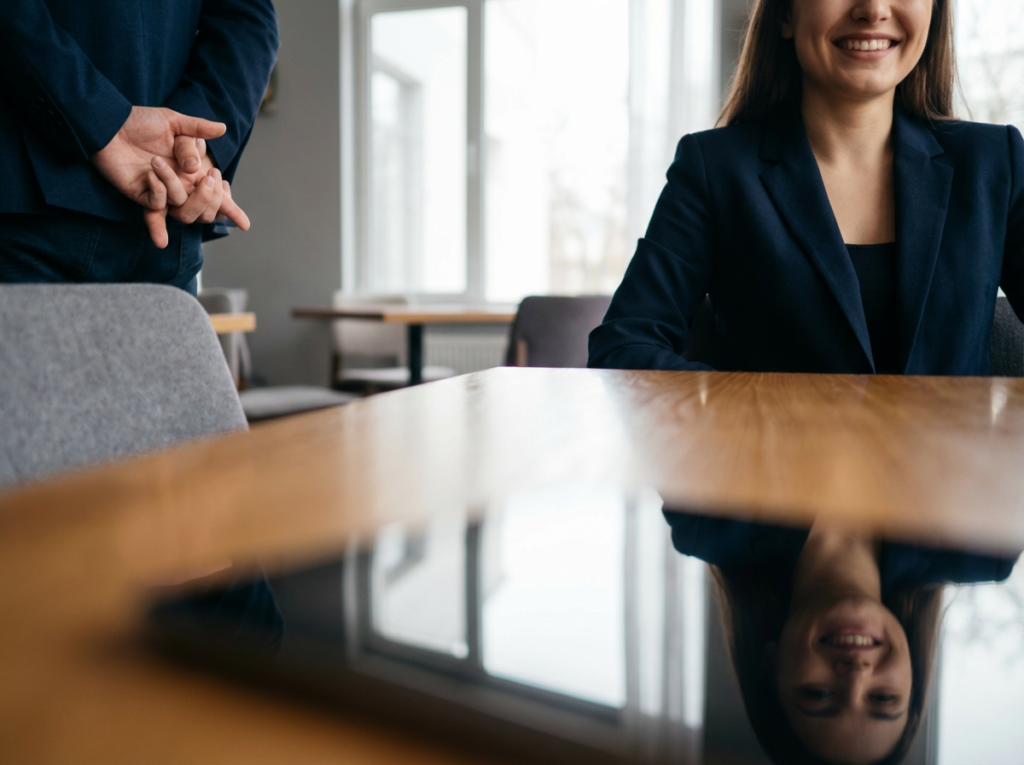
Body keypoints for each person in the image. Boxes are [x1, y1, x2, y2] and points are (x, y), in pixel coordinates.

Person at [588, 0, 1024, 376]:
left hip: (950, 471)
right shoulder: (714, 169)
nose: (872, 9)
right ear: (785, 15)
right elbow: (623, 350)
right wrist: (759, 409)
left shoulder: (994, 162)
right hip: (777, 469)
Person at [664, 508, 1020, 764]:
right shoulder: (985, 542)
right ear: (912, 678)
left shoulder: (708, 522)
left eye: (819, 694)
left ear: (770, 664)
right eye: (883, 698)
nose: (857, 674)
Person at [0, 0, 279, 295]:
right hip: (34, 218)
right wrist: (107, 125)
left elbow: (248, 18)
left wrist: (193, 147)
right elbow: (248, 19)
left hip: (164, 227)